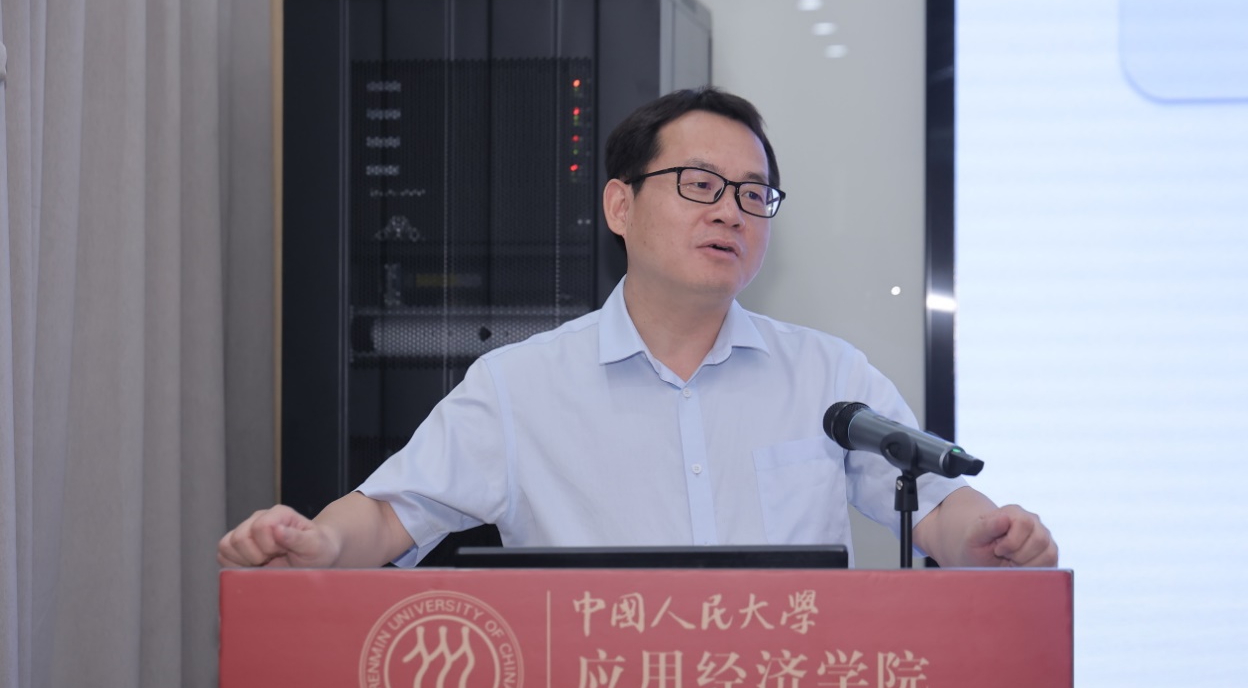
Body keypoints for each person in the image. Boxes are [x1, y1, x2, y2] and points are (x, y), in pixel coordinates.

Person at [219, 87, 1056, 570]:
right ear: (620, 205)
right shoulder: (521, 387)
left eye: (753, 194)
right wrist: (317, 544)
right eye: (700, 184)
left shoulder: (829, 378)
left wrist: (995, 534)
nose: (730, 211)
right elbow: (389, 514)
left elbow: (938, 507)